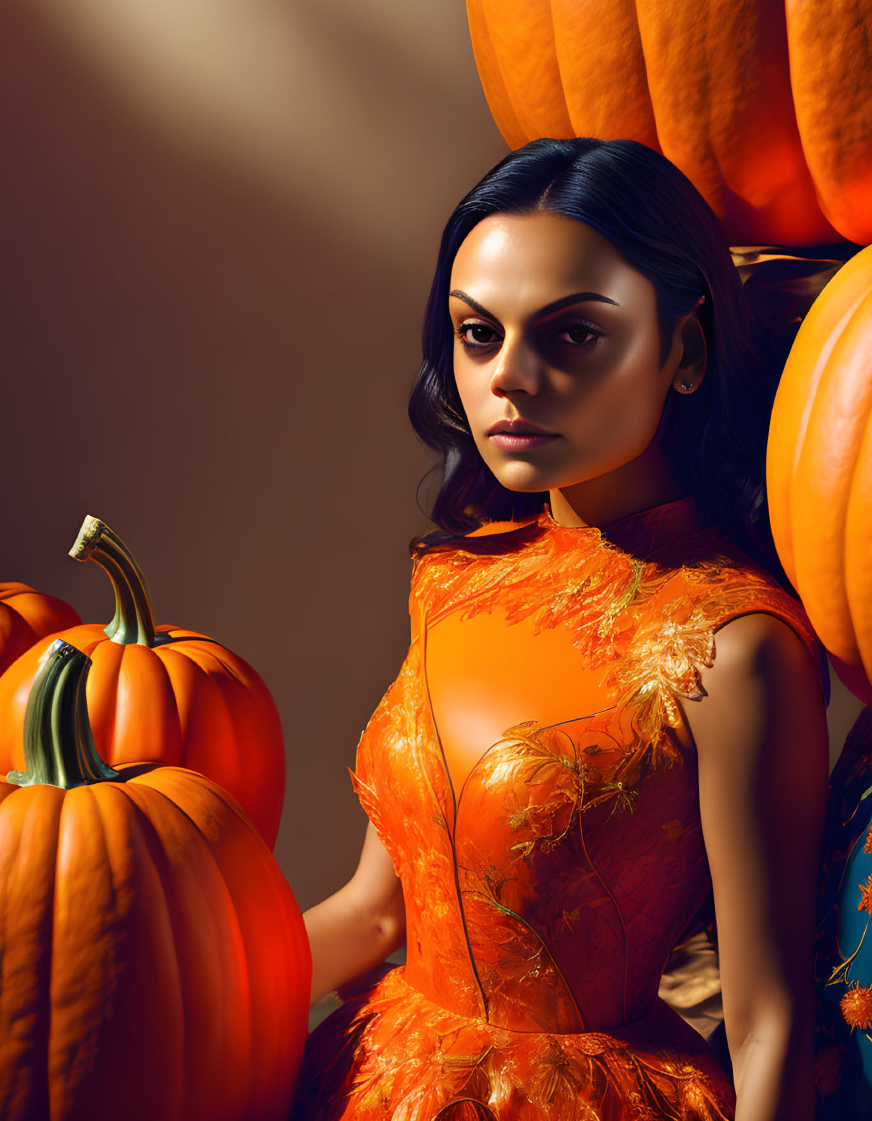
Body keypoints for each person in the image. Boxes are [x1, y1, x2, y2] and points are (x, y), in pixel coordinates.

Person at [291, 138, 829, 1121]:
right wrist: (166, 1004)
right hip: (367, 1077)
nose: (509, 379)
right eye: (476, 333)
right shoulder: (457, 575)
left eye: (571, 336)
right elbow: (373, 915)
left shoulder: (732, 647)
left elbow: (766, 1019)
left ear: (686, 349)